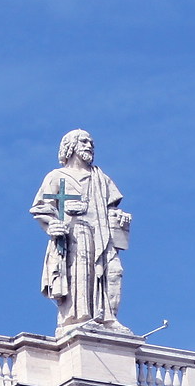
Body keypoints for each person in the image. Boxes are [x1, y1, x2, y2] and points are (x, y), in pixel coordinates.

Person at [29, 130, 130, 328]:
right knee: (80, 273)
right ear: (71, 145)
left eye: (91, 142)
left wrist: (120, 215)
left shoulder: (100, 178)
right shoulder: (56, 176)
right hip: (75, 234)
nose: (89, 145)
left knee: (114, 272)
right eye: (84, 141)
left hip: (102, 235)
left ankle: (108, 318)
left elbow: (111, 208)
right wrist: (53, 224)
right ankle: (79, 318)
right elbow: (41, 208)